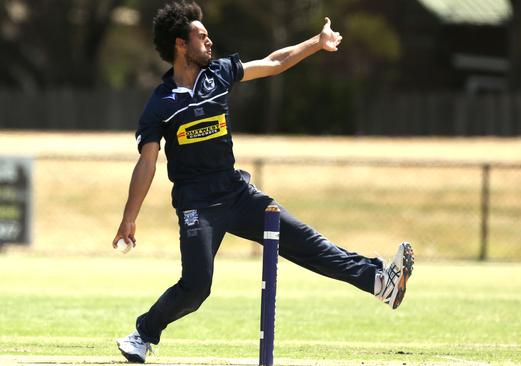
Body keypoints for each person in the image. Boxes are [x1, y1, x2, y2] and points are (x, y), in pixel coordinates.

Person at [112, 2, 414, 363]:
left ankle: (382, 282)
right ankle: (142, 334)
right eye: (201, 36)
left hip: (238, 195)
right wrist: (130, 217)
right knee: (195, 288)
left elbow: (273, 63)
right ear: (180, 44)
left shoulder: (219, 74)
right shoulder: (161, 104)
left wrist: (316, 42)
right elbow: (147, 163)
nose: (209, 41)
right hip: (198, 206)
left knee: (309, 243)